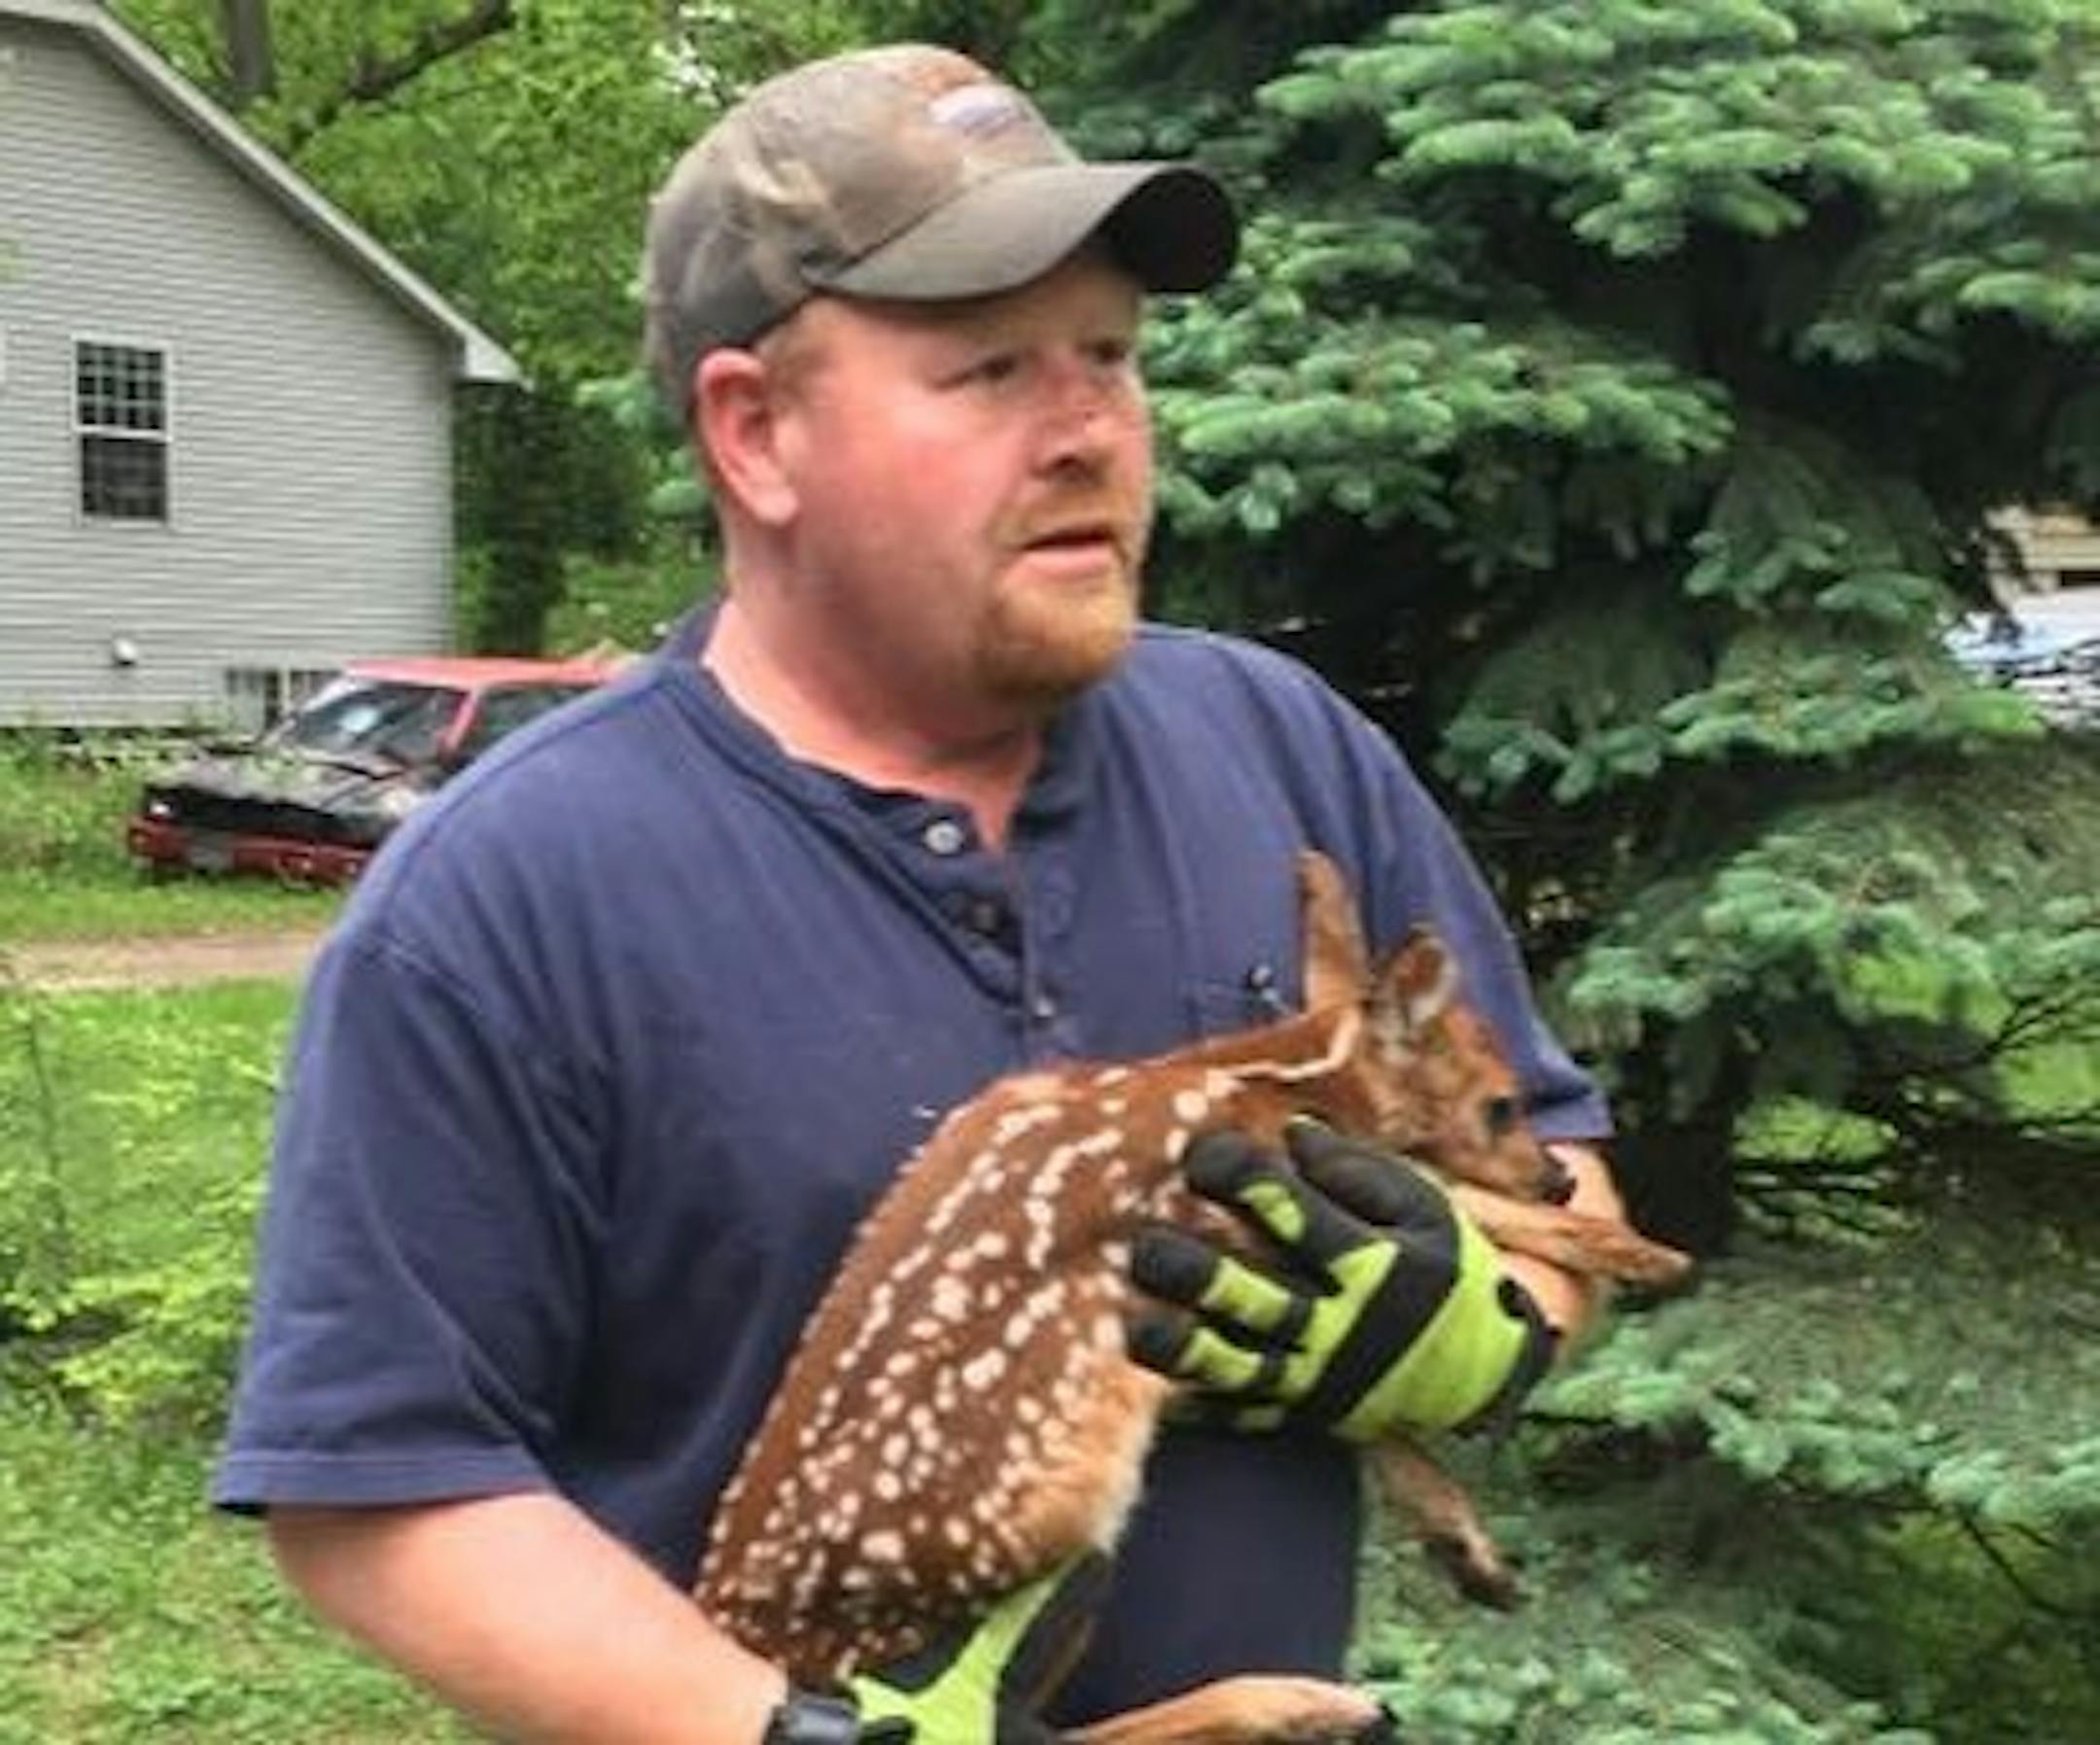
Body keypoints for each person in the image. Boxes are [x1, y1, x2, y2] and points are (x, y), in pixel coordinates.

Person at [212, 41, 1628, 1745]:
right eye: (992, 371)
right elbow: (381, 1493)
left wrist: (1483, 1333)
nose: (1091, 429)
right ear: (756, 433)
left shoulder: (1282, 752)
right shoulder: (511, 896)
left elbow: (1552, 1178)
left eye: (1110, 357)